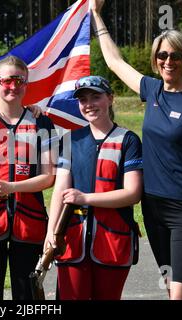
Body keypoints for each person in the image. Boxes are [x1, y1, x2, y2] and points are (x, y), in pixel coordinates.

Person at [90, 0, 182, 300]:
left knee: (179, 294)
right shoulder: (152, 90)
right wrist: (96, 15)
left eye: (175, 55)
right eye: (162, 55)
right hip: (153, 207)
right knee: (170, 285)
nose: (168, 61)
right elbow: (114, 62)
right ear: (155, 59)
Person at [45, 75, 143, 300]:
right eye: (83, 99)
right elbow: (60, 189)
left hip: (113, 240)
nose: (88, 104)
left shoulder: (128, 140)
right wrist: (51, 232)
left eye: (95, 97)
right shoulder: (70, 140)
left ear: (110, 98)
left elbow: (132, 193)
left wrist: (86, 198)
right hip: (72, 238)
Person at [0, 55, 56, 300]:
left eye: (19, 81)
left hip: (28, 220)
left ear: (26, 85)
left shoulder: (42, 122)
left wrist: (11, 186)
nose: (13, 86)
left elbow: (48, 176)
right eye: (7, 80)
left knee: (27, 293)